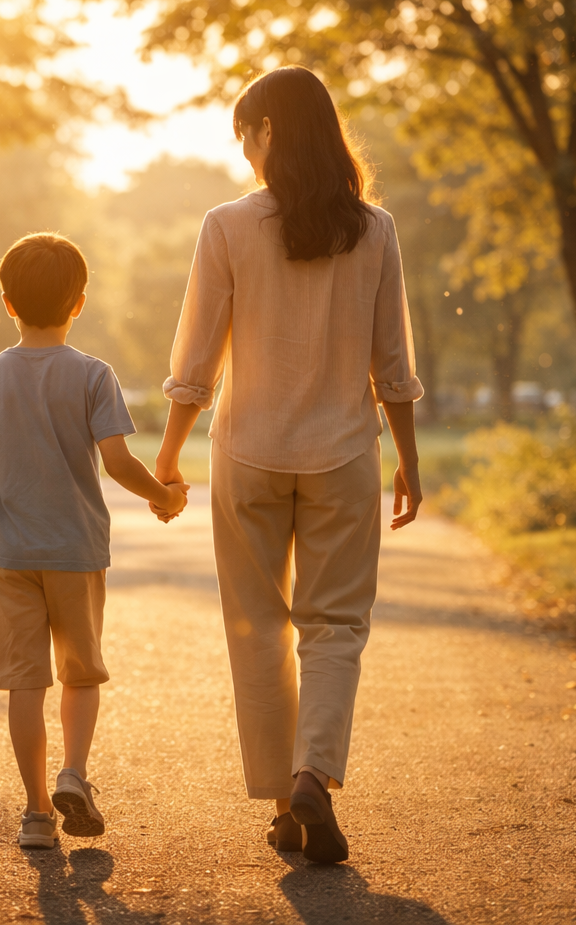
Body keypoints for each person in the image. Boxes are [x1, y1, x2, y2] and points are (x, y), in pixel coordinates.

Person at [152, 67, 424, 864]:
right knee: (335, 624)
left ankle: (282, 802)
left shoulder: (227, 225)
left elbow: (195, 359)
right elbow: (394, 365)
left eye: (245, 134)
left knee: (257, 626)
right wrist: (407, 461)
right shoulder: (374, 230)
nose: (244, 151)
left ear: (268, 131)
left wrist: (168, 454)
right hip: (344, 453)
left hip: (248, 453)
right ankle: (313, 776)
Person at [0, 232, 191, 850]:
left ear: (6, 303)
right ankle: (74, 774)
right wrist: (165, 497)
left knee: (24, 684)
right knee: (80, 675)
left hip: (8, 555)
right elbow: (116, 461)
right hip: (77, 552)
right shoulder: (93, 374)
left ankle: (35, 814)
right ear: (79, 302)